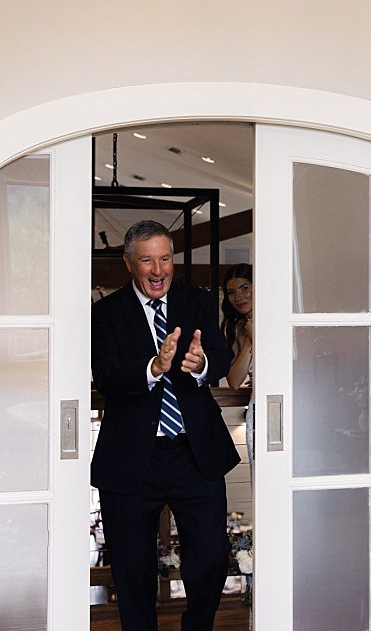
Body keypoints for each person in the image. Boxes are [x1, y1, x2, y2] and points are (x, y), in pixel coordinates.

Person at [91, 220, 235, 630]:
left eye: (166, 258)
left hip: (195, 452)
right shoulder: (105, 313)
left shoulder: (198, 302)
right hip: (132, 458)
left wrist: (201, 364)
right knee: (131, 570)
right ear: (129, 263)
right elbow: (106, 376)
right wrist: (153, 368)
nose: (158, 270)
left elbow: (220, 358)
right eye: (147, 260)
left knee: (209, 558)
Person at [218, 264, 254, 388]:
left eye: (244, 288)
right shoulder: (239, 328)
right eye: (231, 292)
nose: (238, 297)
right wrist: (250, 341)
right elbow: (234, 382)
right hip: (255, 403)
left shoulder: (276, 321)